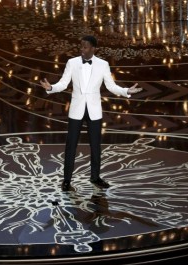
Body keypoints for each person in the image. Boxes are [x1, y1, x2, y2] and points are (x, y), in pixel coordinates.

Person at [40, 35, 142, 191]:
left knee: (95, 146)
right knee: (71, 146)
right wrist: (51, 88)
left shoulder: (103, 65)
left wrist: (126, 90)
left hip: (94, 111)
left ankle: (95, 177)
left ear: (94, 48)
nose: (82, 49)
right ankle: (66, 180)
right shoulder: (72, 63)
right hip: (76, 110)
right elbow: (63, 83)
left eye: (86, 47)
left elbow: (111, 86)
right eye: (81, 46)